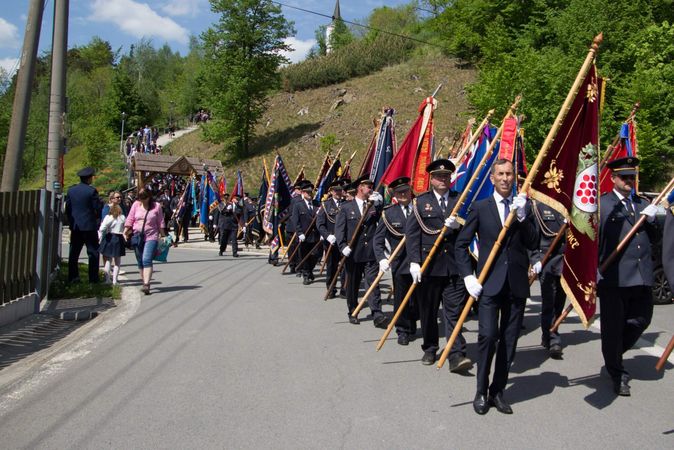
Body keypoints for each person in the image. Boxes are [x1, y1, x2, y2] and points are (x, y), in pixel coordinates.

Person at [456, 159, 538, 415]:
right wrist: (468, 277)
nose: (505, 178)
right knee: (488, 336)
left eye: (509, 174)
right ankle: (481, 390)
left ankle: (497, 391)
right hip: (489, 284)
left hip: (516, 284)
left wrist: (523, 217)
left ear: (514, 178)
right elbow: (461, 244)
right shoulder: (481, 207)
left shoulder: (523, 207)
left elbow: (534, 241)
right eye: (500, 174)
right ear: (492, 178)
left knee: (509, 341)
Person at [598, 157, 658, 397]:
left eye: (632, 177)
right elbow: (593, 240)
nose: (629, 181)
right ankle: (617, 372)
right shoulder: (603, 205)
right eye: (624, 177)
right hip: (614, 278)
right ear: (613, 178)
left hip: (641, 275)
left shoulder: (642, 203)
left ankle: (612, 354)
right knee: (613, 327)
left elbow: (653, 238)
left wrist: (652, 221)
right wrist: (593, 269)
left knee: (642, 319)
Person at [406, 159, 473, 371]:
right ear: (431, 179)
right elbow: (412, 235)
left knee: (454, 312)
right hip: (429, 266)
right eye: (438, 176)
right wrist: (414, 262)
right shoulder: (420, 202)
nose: (443, 179)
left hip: (454, 266)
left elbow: (471, 228)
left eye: (446, 176)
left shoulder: (460, 200)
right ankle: (430, 347)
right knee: (428, 310)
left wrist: (458, 225)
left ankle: (456, 354)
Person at [334, 175, 386, 327]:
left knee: (372, 283)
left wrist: (380, 204)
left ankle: (377, 313)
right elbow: (339, 229)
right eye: (368, 186)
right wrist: (342, 246)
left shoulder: (374, 206)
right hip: (353, 252)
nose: (371, 189)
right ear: (360, 188)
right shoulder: (346, 207)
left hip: (370, 252)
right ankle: (353, 310)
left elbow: (383, 221)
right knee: (353, 284)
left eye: (371, 186)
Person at [373, 176, 416, 345]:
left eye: (405, 191)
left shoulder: (420, 207)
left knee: (419, 298)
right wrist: (382, 259)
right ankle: (403, 330)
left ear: (410, 191)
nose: (403, 194)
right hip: (400, 262)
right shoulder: (389, 213)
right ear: (395, 195)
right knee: (401, 298)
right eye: (399, 192)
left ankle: (413, 323)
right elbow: (378, 240)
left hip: (421, 261)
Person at [530, 199, 566, 359]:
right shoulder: (539, 207)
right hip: (547, 261)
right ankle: (552, 337)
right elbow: (533, 239)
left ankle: (549, 333)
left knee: (559, 302)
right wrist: (535, 260)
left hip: (566, 261)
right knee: (549, 302)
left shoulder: (569, 207)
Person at [124, 188, 165, 295]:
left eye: (144, 198)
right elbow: (130, 218)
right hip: (137, 236)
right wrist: (125, 230)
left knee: (146, 259)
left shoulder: (156, 206)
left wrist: (163, 235)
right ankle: (144, 282)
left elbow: (160, 221)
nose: (142, 200)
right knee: (140, 261)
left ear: (149, 197)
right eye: (140, 198)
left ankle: (146, 284)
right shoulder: (136, 205)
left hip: (151, 236)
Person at [65, 167, 102, 283]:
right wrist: (97, 221)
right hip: (89, 226)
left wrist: (71, 222)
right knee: (93, 252)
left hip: (76, 226)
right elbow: (97, 208)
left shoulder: (71, 191)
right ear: (89, 178)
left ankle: (73, 277)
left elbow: (68, 209)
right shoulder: (92, 191)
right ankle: (93, 279)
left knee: (74, 252)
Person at [317, 180, 345, 298]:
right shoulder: (325, 205)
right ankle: (331, 288)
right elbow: (320, 224)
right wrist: (328, 236)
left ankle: (344, 288)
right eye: (336, 191)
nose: (338, 193)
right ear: (331, 192)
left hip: (344, 241)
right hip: (331, 242)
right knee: (332, 266)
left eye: (340, 190)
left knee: (345, 266)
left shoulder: (347, 203)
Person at [291, 181, 321, 285]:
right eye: (307, 192)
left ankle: (310, 270)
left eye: (310, 192)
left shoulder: (317, 204)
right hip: (304, 235)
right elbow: (295, 221)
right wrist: (299, 233)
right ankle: (306, 275)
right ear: (303, 193)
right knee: (305, 256)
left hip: (315, 235)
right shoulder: (298, 205)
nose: (309, 194)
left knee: (316, 255)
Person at [98, 203, 126, 285]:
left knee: (108, 260)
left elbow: (102, 228)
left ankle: (107, 279)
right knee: (117, 261)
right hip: (119, 238)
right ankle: (115, 280)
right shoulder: (122, 217)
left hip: (109, 237)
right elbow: (125, 227)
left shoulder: (108, 217)